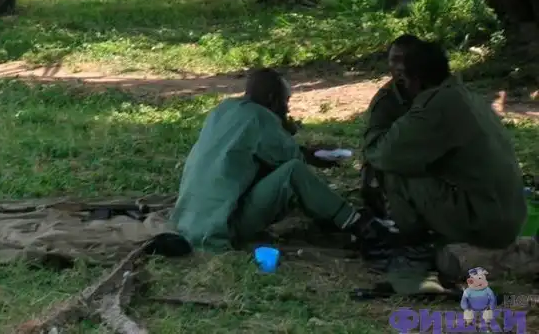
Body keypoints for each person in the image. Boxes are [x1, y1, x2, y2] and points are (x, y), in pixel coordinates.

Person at [170, 67, 391, 252]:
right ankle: (359, 225)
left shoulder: (223, 109)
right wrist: (288, 131)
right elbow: (293, 160)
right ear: (272, 99)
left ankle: (335, 218)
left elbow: (257, 151)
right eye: (286, 101)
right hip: (221, 227)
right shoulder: (260, 117)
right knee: (293, 173)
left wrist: (285, 133)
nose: (288, 108)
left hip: (187, 220)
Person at [365, 40, 527, 252]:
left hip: (487, 225)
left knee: (394, 173)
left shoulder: (436, 106)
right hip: (509, 217)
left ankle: (414, 243)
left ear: (414, 78)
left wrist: (375, 130)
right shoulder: (467, 96)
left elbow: (383, 155)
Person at [360, 34, 423, 218]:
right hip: (401, 161)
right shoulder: (385, 102)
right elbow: (373, 150)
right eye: (395, 60)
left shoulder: (438, 90)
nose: (400, 67)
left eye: (407, 60)